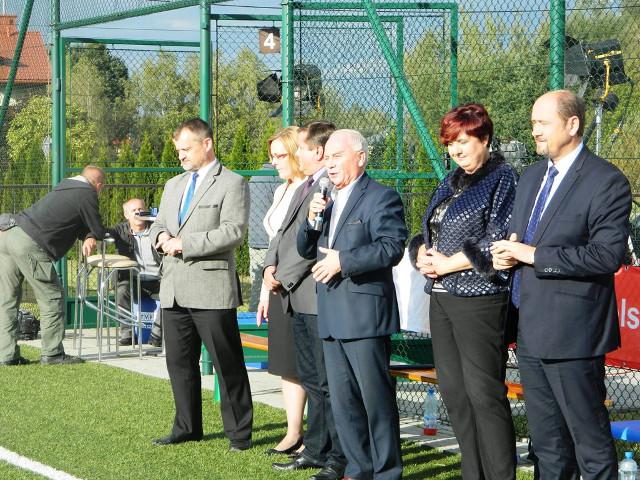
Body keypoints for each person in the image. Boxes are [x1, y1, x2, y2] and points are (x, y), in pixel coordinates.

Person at [491, 90, 631, 479]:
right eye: (533, 123)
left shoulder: (605, 181)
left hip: (573, 335)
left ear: (572, 124)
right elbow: (521, 238)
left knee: (590, 444)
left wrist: (534, 255)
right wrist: (508, 255)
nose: (535, 131)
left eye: (543, 123)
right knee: (548, 447)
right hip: (530, 331)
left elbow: (606, 255)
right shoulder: (532, 176)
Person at [410, 103, 518, 479]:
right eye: (450, 143)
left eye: (463, 141)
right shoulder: (451, 180)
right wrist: (421, 252)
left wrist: (449, 263)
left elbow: (499, 240)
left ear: (484, 139)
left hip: (480, 298)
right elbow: (432, 228)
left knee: (483, 393)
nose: (455, 150)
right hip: (441, 296)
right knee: (454, 393)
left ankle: (500, 474)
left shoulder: (503, 178)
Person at [298, 129, 407, 480]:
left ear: (360, 157)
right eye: (327, 157)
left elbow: (391, 247)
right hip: (331, 314)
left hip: (364, 317)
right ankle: (359, 470)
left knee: (375, 403)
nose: (330, 164)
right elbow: (305, 248)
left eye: (337, 156)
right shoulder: (325, 199)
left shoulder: (381, 197)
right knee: (344, 404)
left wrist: (343, 261)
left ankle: (387, 473)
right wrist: (312, 220)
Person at [149, 118, 253, 451]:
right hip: (174, 289)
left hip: (211, 289)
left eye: (186, 149)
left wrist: (184, 244)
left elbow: (233, 231)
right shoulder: (173, 185)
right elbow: (158, 225)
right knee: (179, 363)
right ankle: (187, 427)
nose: (180, 155)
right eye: (178, 149)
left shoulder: (232, 183)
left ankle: (239, 433)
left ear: (206, 144)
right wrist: (160, 237)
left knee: (227, 363)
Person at [266, 121, 347, 480]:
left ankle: (331, 454)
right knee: (312, 379)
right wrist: (269, 267)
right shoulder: (307, 186)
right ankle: (315, 449)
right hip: (296, 296)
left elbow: (310, 249)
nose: (297, 154)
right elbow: (284, 233)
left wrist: (283, 276)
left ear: (318, 151)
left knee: (325, 383)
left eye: (300, 147)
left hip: (313, 294)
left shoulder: (328, 186)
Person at [0, 165, 107, 366]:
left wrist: (88, 234)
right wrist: (92, 235)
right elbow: (98, 229)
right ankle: (52, 353)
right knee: (52, 296)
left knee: (8, 298)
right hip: (29, 242)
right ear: (99, 185)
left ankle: (6, 355)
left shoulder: (66, 185)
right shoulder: (87, 192)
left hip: (8, 235)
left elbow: (76, 221)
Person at [256, 126, 307, 456]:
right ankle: (293, 432)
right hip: (276, 287)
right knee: (286, 363)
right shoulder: (280, 190)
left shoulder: (312, 188)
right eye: (271, 156)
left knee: (307, 365)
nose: (274, 162)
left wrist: (282, 276)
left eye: (279, 155)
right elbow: (273, 244)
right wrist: (266, 289)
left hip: (302, 287)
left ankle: (315, 437)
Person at [86, 198, 163, 347]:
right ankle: (127, 334)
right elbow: (101, 232)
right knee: (122, 290)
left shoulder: (157, 229)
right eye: (134, 210)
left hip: (157, 278)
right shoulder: (120, 230)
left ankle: (157, 335)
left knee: (170, 292)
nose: (138, 213)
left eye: (141, 209)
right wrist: (90, 237)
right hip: (133, 279)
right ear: (126, 215)